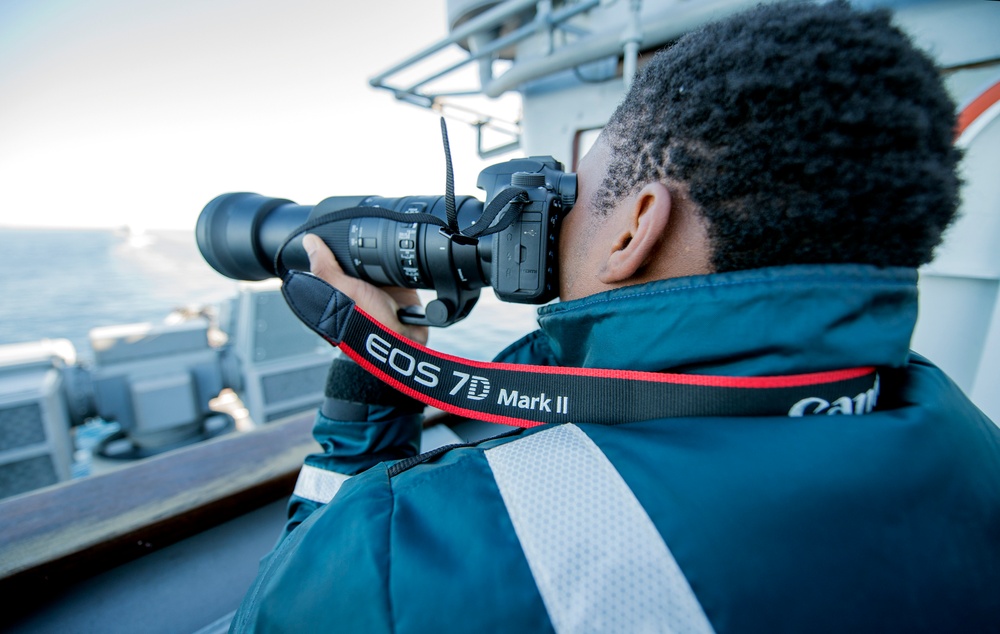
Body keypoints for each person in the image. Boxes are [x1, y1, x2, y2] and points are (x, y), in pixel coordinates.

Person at [232, 1, 1000, 631]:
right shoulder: (963, 433)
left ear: (635, 229)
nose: (554, 213)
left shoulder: (426, 553)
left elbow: (282, 606)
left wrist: (367, 391)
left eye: (575, 190)